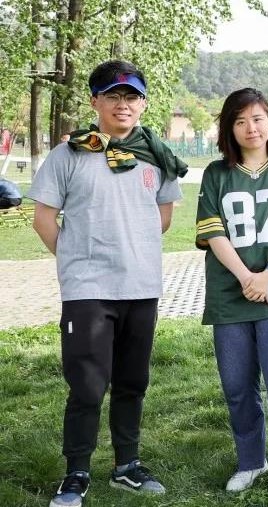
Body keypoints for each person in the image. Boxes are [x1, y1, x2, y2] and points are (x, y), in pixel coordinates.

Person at [29, 59, 186, 507]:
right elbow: (43, 219)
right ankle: (76, 472)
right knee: (87, 386)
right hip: (88, 290)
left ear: (143, 103)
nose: (123, 104)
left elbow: (163, 218)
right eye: (113, 95)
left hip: (141, 287)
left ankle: (126, 466)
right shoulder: (69, 155)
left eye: (132, 96)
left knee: (132, 382)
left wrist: (129, 248)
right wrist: (78, 259)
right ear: (95, 101)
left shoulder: (155, 156)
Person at [195, 88, 268, 505]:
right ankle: (251, 461)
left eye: (258, 118)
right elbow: (213, 233)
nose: (251, 128)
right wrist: (247, 277)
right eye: (241, 120)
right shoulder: (216, 174)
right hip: (231, 294)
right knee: (237, 385)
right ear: (229, 127)